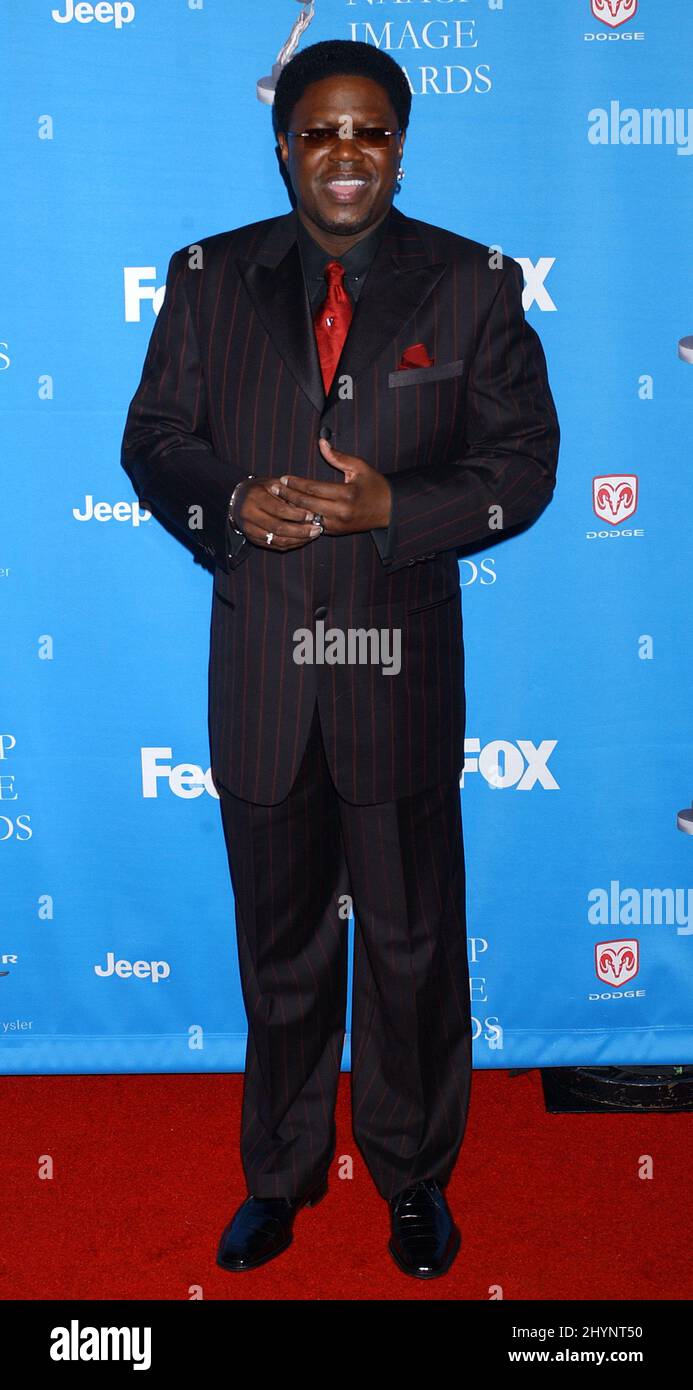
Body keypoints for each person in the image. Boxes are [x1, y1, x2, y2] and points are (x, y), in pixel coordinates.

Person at [121, 38, 559, 1280]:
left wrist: (394, 513)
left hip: (397, 676)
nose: (346, 154)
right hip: (262, 675)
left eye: (370, 132)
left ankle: (415, 1178)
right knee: (283, 944)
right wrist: (228, 501)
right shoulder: (207, 279)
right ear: (285, 145)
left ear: (401, 147)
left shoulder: (475, 285)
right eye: (322, 131)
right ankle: (283, 1174)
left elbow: (525, 465)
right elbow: (154, 442)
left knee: (415, 944)